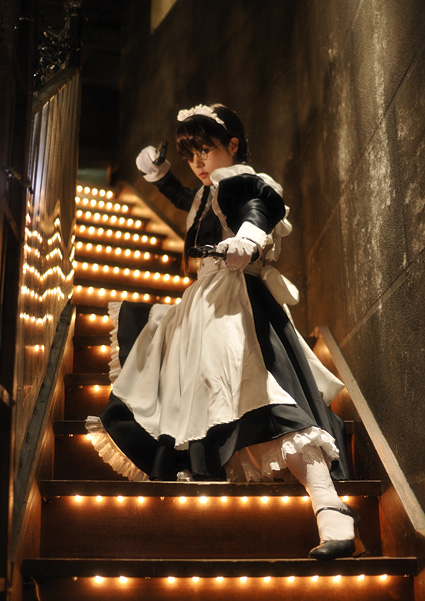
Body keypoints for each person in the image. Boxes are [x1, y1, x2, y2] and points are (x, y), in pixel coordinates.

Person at [86, 103, 363, 560]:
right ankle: (326, 506)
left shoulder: (242, 180)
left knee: (261, 395)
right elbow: (193, 201)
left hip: (235, 301)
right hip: (203, 306)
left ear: (232, 145)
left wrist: (249, 239)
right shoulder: (210, 188)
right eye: (190, 153)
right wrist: (161, 178)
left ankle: (329, 506)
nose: (197, 161)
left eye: (206, 149)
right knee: (214, 402)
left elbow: (259, 204)